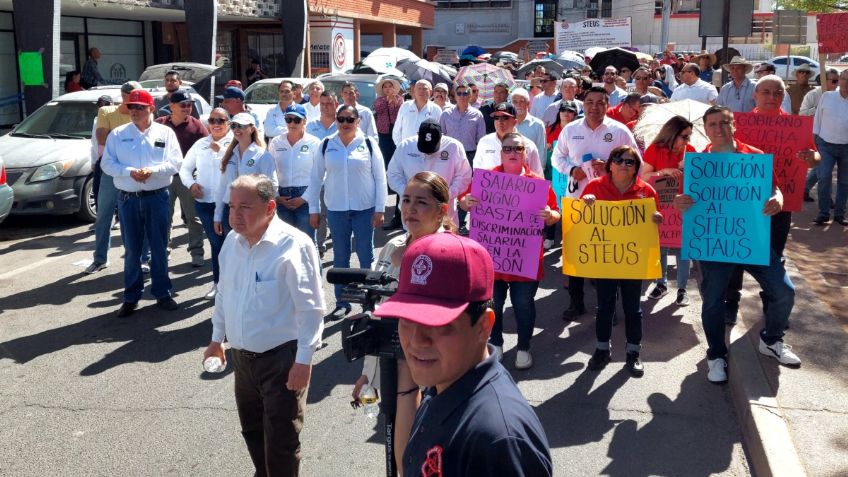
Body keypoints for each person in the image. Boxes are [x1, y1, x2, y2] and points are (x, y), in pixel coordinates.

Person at [373, 233, 553, 476]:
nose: (416, 340)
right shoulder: (443, 384)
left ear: (483, 327)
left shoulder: (497, 442)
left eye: (437, 324)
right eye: (406, 320)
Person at [203, 174, 325, 477]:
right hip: (242, 361)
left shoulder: (295, 245)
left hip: (281, 360)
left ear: (270, 207)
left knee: (281, 442)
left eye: (244, 207)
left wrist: (304, 361)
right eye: (231, 207)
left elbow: (311, 308)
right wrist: (217, 339)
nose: (235, 215)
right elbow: (224, 294)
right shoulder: (232, 242)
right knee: (253, 432)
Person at [674, 105, 800, 384]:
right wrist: (679, 202)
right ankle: (716, 355)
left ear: (734, 126)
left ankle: (771, 339)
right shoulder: (697, 162)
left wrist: (777, 198)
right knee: (713, 301)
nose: (719, 129)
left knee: (784, 291)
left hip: (752, 239)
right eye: (712, 124)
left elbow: (774, 188)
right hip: (715, 243)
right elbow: (686, 199)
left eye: (724, 123)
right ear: (705, 129)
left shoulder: (754, 157)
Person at [352, 171, 454, 470]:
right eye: (406, 200)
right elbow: (376, 311)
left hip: (430, 368)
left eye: (420, 202)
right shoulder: (391, 246)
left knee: (421, 448)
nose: (409, 208)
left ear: (441, 210)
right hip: (392, 357)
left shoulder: (449, 252)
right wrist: (368, 374)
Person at [459, 133, 561, 369]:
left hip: (524, 261)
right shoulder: (487, 179)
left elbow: (556, 213)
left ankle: (524, 346)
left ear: (526, 153)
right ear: (501, 152)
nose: (513, 153)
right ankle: (496, 344)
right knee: (492, 305)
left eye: (518, 148)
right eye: (507, 149)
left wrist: (550, 215)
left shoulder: (536, 182)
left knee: (523, 304)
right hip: (492, 259)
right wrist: (466, 203)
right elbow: (464, 199)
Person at [552, 86, 639, 320]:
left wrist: (611, 168)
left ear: (608, 104)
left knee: (607, 255)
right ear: (583, 104)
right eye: (590, 102)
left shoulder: (619, 131)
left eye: (600, 102)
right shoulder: (570, 130)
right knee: (575, 254)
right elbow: (556, 156)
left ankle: (608, 305)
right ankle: (576, 301)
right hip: (577, 202)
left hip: (609, 203)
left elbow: (636, 159)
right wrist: (572, 169)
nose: (594, 107)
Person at [581, 145, 662, 376]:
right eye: (619, 160)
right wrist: (586, 203)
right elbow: (583, 221)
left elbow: (654, 222)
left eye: (629, 161)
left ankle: (633, 352)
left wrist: (657, 218)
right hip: (605, 261)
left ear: (636, 166)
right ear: (610, 164)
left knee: (632, 308)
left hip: (633, 261)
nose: (624, 165)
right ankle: (601, 349)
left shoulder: (645, 191)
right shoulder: (595, 187)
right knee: (605, 306)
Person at [100, 89, 182, 317]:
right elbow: (107, 164)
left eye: (140, 107)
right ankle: (131, 296)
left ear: (151, 109)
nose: (134, 111)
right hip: (128, 200)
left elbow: (176, 162)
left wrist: (152, 171)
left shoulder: (165, 133)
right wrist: (129, 172)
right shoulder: (117, 134)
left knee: (159, 247)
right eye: (131, 107)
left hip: (157, 197)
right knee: (132, 249)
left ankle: (163, 292)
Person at [308, 105, 387, 319]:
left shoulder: (369, 143)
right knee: (340, 258)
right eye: (340, 119)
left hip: (364, 209)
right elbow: (315, 178)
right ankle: (342, 302)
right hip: (336, 210)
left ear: (358, 121)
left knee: (365, 256)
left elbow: (381, 178)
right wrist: (313, 209)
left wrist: (380, 209)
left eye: (349, 119)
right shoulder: (326, 144)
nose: (344, 123)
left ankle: (368, 302)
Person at [85, 81, 144, 275]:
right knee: (103, 216)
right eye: (130, 95)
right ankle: (100, 259)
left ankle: (139, 259)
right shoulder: (106, 112)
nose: (134, 100)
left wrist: (117, 137)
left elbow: (142, 139)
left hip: (134, 172)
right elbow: (102, 138)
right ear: (123, 94)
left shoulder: (141, 112)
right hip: (110, 171)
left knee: (135, 218)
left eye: (137, 95)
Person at [639, 116, 696, 306]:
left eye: (689, 137)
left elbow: (699, 180)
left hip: (684, 207)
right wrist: (663, 172)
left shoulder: (691, 152)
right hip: (661, 207)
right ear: (672, 134)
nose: (687, 141)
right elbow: (644, 178)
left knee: (682, 249)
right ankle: (660, 283)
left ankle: (682, 288)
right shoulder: (655, 150)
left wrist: (689, 169)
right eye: (684, 136)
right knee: (660, 248)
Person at [179, 107, 232, 300]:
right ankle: (218, 283)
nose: (216, 124)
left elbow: (236, 166)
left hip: (228, 204)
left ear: (228, 122)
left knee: (233, 245)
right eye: (212, 120)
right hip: (205, 203)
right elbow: (184, 169)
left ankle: (234, 284)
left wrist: (221, 152)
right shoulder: (200, 144)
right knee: (216, 244)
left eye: (221, 120)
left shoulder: (235, 143)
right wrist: (191, 184)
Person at [155, 89, 208, 268]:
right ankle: (164, 251)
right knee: (164, 216)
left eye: (190, 105)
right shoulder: (159, 124)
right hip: (164, 177)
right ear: (172, 107)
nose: (187, 108)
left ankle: (197, 253)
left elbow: (206, 151)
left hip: (188, 179)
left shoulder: (198, 126)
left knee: (194, 218)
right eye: (183, 105)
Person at [387, 119, 472, 226]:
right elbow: (393, 174)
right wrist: (409, 194)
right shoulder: (405, 146)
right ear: (418, 135)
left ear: (441, 136)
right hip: (413, 214)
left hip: (444, 214)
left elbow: (464, 175)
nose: (427, 153)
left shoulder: (454, 146)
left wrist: (447, 194)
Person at [214, 113, 277, 237]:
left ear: (252, 128)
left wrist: (266, 214)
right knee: (233, 250)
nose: (237, 129)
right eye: (233, 125)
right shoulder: (229, 154)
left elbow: (272, 186)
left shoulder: (263, 155)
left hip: (252, 210)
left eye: (241, 126)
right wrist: (217, 215)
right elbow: (222, 186)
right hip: (230, 209)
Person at [268, 104, 320, 240]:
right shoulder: (275, 142)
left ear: (305, 121)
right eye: (288, 119)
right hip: (282, 197)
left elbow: (319, 175)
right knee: (284, 243)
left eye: (297, 120)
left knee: (307, 242)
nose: (292, 123)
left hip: (306, 197)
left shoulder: (314, 143)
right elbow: (270, 170)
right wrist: (276, 195)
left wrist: (304, 198)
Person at [305, 91, 339, 256]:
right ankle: (319, 245)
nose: (325, 107)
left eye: (329, 103)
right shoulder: (311, 126)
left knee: (331, 214)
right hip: (316, 177)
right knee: (319, 212)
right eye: (323, 104)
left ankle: (335, 239)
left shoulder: (342, 124)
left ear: (336, 104)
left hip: (335, 178)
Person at [812, 69, 848, 226]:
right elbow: (817, 119)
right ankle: (823, 213)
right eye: (844, 79)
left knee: (844, 182)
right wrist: (814, 139)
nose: (846, 83)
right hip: (825, 144)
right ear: (839, 80)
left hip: (847, 147)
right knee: (824, 177)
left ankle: (840, 214)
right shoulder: (827, 96)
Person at [800, 68, 839, 202]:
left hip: (832, 136)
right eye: (834, 81)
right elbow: (802, 114)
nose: (837, 84)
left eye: (838, 81)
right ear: (824, 80)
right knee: (824, 168)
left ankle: (805, 189)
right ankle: (826, 199)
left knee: (822, 166)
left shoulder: (840, 95)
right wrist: (820, 108)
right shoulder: (812, 95)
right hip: (815, 135)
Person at [475, 102, 544, 176]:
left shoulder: (529, 145)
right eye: (497, 118)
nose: (500, 122)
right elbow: (477, 171)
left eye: (505, 118)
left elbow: (538, 176)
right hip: (489, 187)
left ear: (515, 122)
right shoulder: (484, 142)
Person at [373, 77, 405, 230]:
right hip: (384, 134)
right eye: (385, 87)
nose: (387, 89)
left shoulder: (400, 100)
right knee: (385, 162)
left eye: (389, 87)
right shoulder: (379, 100)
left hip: (396, 133)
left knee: (397, 164)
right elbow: (380, 110)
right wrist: (387, 101)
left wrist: (393, 102)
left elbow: (396, 114)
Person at [392, 79, 442, 146]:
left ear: (430, 92)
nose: (421, 91)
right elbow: (397, 130)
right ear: (414, 91)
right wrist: (400, 146)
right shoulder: (405, 106)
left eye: (424, 89)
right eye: (419, 88)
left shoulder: (436, 110)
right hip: (406, 149)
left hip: (426, 151)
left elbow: (439, 133)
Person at [512, 88, 547, 158]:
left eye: (521, 101)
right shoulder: (507, 123)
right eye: (515, 102)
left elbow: (541, 151)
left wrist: (539, 168)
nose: (518, 104)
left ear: (528, 103)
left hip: (530, 167)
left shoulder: (538, 125)